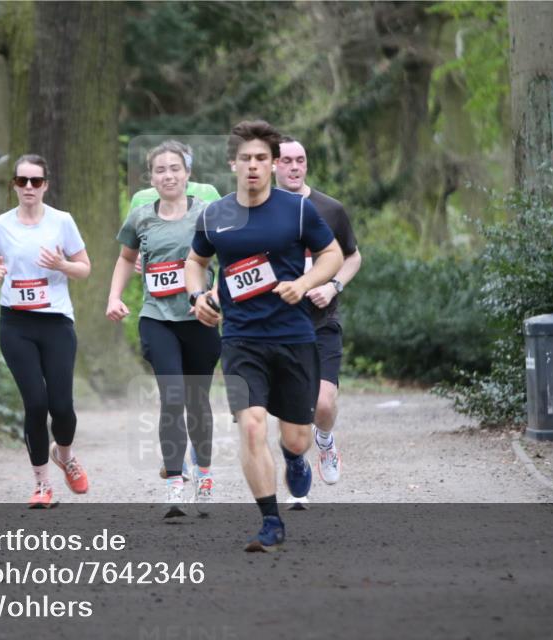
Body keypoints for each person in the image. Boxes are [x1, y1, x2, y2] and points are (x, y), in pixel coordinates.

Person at [185, 120, 343, 551]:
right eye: (245, 159)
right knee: (252, 427)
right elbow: (195, 262)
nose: (252, 166)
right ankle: (270, 520)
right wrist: (198, 295)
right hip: (240, 340)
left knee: (295, 436)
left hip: (293, 336)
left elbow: (333, 254)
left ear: (273, 165)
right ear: (233, 164)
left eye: (260, 159)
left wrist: (307, 283)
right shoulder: (214, 215)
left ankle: (294, 457)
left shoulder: (295, 210)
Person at [0, 154, 92, 509]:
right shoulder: (0, 225)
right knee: (35, 405)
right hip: (16, 324)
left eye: (35, 182)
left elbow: (85, 269)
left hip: (56, 322)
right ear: (13, 185)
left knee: (63, 407)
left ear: (45, 186)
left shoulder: (62, 222)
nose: (28, 187)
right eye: (22, 181)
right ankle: (42, 485)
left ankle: (65, 456)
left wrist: (62, 264)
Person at [108, 141, 221, 519]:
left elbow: (229, 260)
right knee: (172, 397)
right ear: (151, 177)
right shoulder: (140, 216)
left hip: (201, 320)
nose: (168, 175)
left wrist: (217, 295)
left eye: (175, 168)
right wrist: (114, 297)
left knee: (197, 402)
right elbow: (125, 259)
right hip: (157, 318)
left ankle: (204, 476)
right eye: (160, 170)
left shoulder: (208, 214)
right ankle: (175, 482)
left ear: (188, 174)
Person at [276, 136, 362, 490]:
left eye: (300, 160)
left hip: (322, 322)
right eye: (287, 161)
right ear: (273, 166)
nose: (295, 167)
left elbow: (353, 256)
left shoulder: (330, 209)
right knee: (292, 412)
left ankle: (325, 442)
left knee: (323, 404)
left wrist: (333, 286)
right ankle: (295, 463)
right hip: (280, 326)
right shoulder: (261, 212)